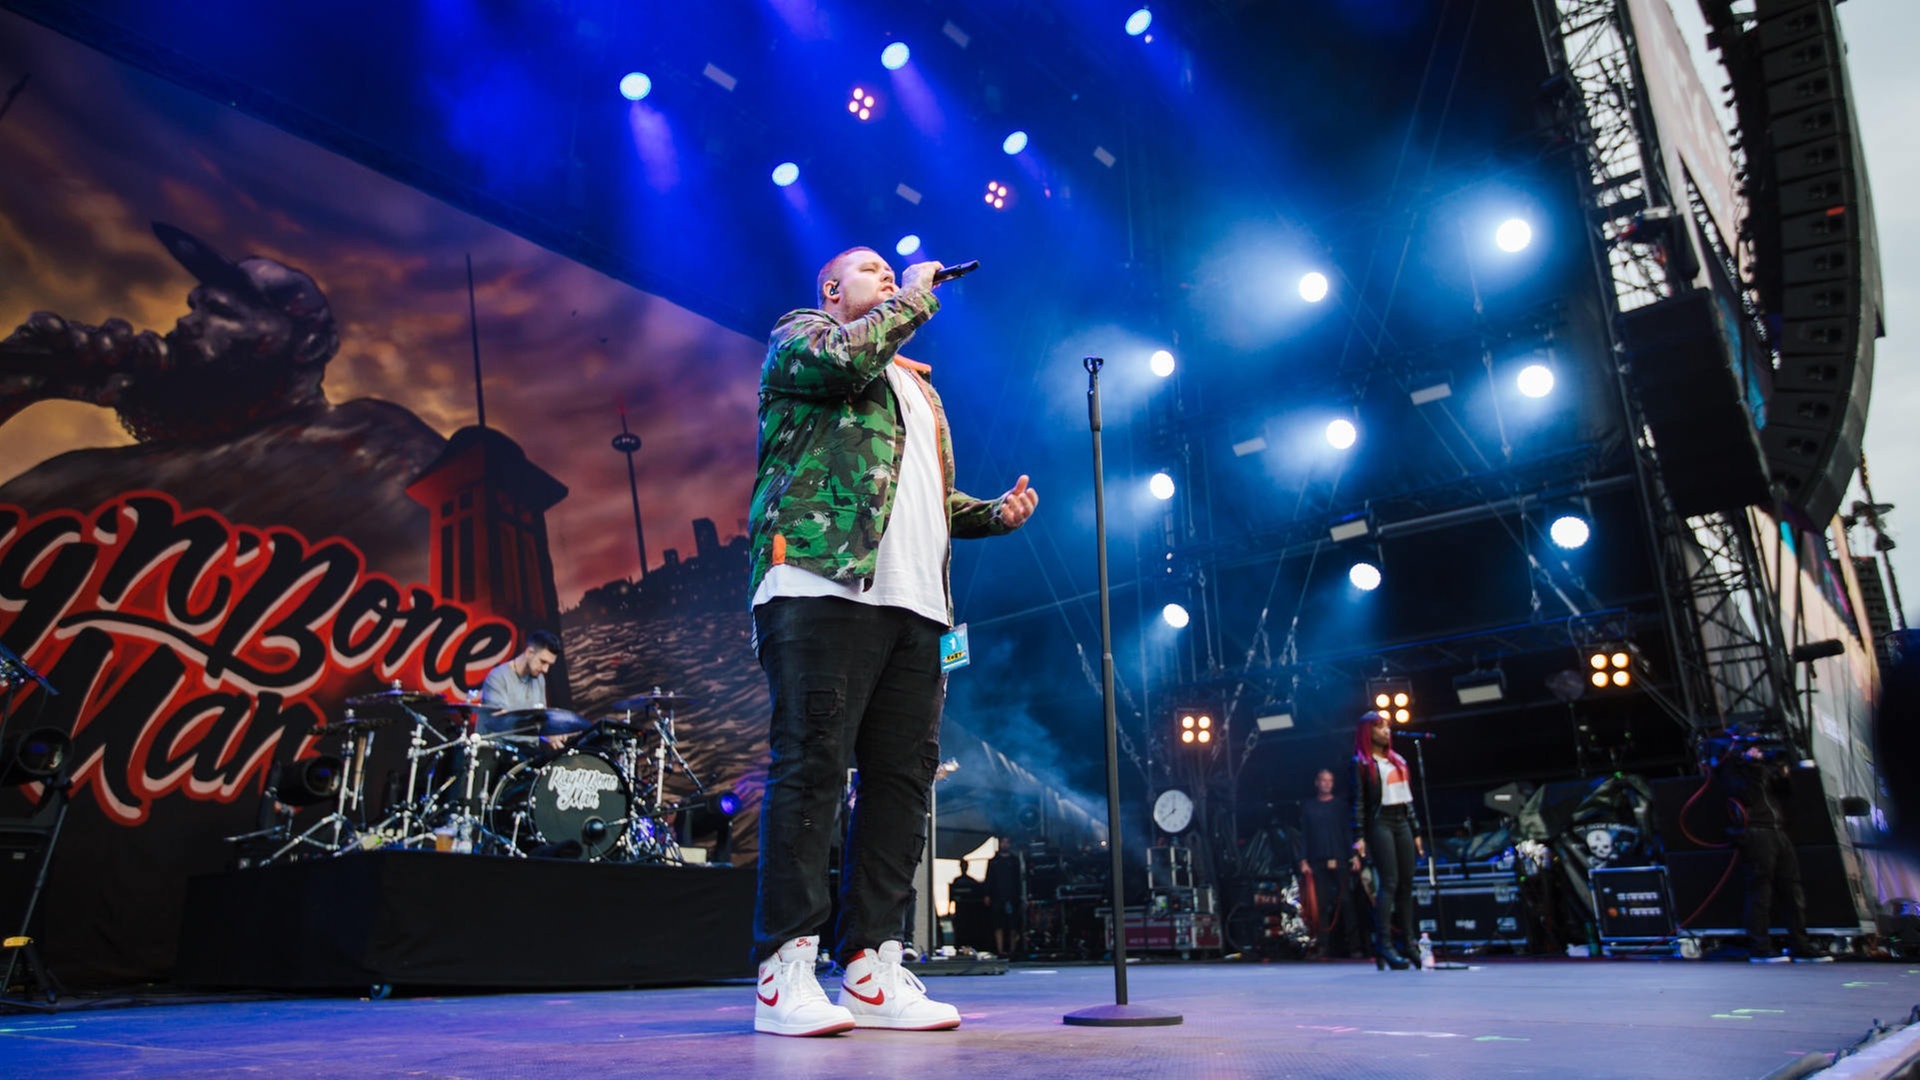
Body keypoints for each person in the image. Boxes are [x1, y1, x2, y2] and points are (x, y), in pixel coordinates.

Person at [745, 246, 1038, 1036]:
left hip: (918, 602)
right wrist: (911, 296)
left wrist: (990, 515)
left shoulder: (916, 389)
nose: (888, 275)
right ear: (832, 290)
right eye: (871, 269)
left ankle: (873, 966)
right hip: (820, 581)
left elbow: (928, 500)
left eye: (891, 271)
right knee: (810, 768)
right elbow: (848, 357)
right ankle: (786, 970)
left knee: (901, 783)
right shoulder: (805, 338)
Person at [1717, 739, 1832, 963]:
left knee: (1792, 890)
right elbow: (1744, 794)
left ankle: (1801, 944)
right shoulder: (1734, 770)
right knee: (1760, 890)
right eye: (1754, 748)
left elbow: (1785, 793)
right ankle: (1760, 947)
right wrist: (1752, 766)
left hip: (1779, 831)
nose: (1759, 751)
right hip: (1757, 832)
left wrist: (1782, 771)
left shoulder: (1765, 770)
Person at [1350, 711, 1423, 970]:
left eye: (1387, 727)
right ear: (1368, 732)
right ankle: (1385, 943)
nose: (1386, 732)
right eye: (1380, 728)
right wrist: (1359, 835)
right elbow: (1358, 802)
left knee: (1406, 884)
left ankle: (1410, 944)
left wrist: (1416, 832)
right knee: (1389, 882)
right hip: (1380, 823)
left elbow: (1408, 799)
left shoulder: (1397, 761)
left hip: (1401, 819)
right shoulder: (1362, 763)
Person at [1296, 768, 1362, 958]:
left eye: (1329, 781)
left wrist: (1353, 855)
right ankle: (1323, 945)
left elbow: (1346, 832)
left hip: (1340, 858)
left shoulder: (1340, 806)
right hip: (1318, 860)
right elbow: (1305, 835)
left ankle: (1355, 946)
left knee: (1347, 903)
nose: (1326, 783)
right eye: (1323, 780)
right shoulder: (1309, 807)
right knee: (1321, 904)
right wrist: (1303, 859)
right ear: (1317, 782)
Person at [947, 858, 990, 951]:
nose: (963, 868)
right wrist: (949, 910)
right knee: (960, 931)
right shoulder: (957, 881)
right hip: (960, 911)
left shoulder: (971, 881)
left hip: (970, 912)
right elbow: (951, 896)